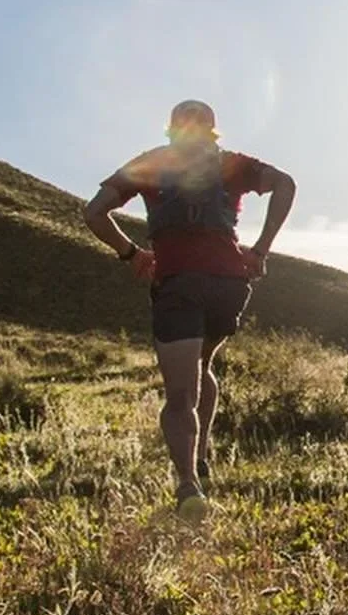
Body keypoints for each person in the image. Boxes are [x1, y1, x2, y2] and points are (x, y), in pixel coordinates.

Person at [83, 101, 296, 517]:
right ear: (212, 130)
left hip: (179, 283)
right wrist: (261, 249)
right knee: (203, 365)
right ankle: (201, 456)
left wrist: (131, 254)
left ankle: (188, 486)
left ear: (171, 130)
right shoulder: (231, 164)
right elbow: (285, 184)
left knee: (180, 394)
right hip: (229, 285)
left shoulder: (149, 164)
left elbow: (93, 212)